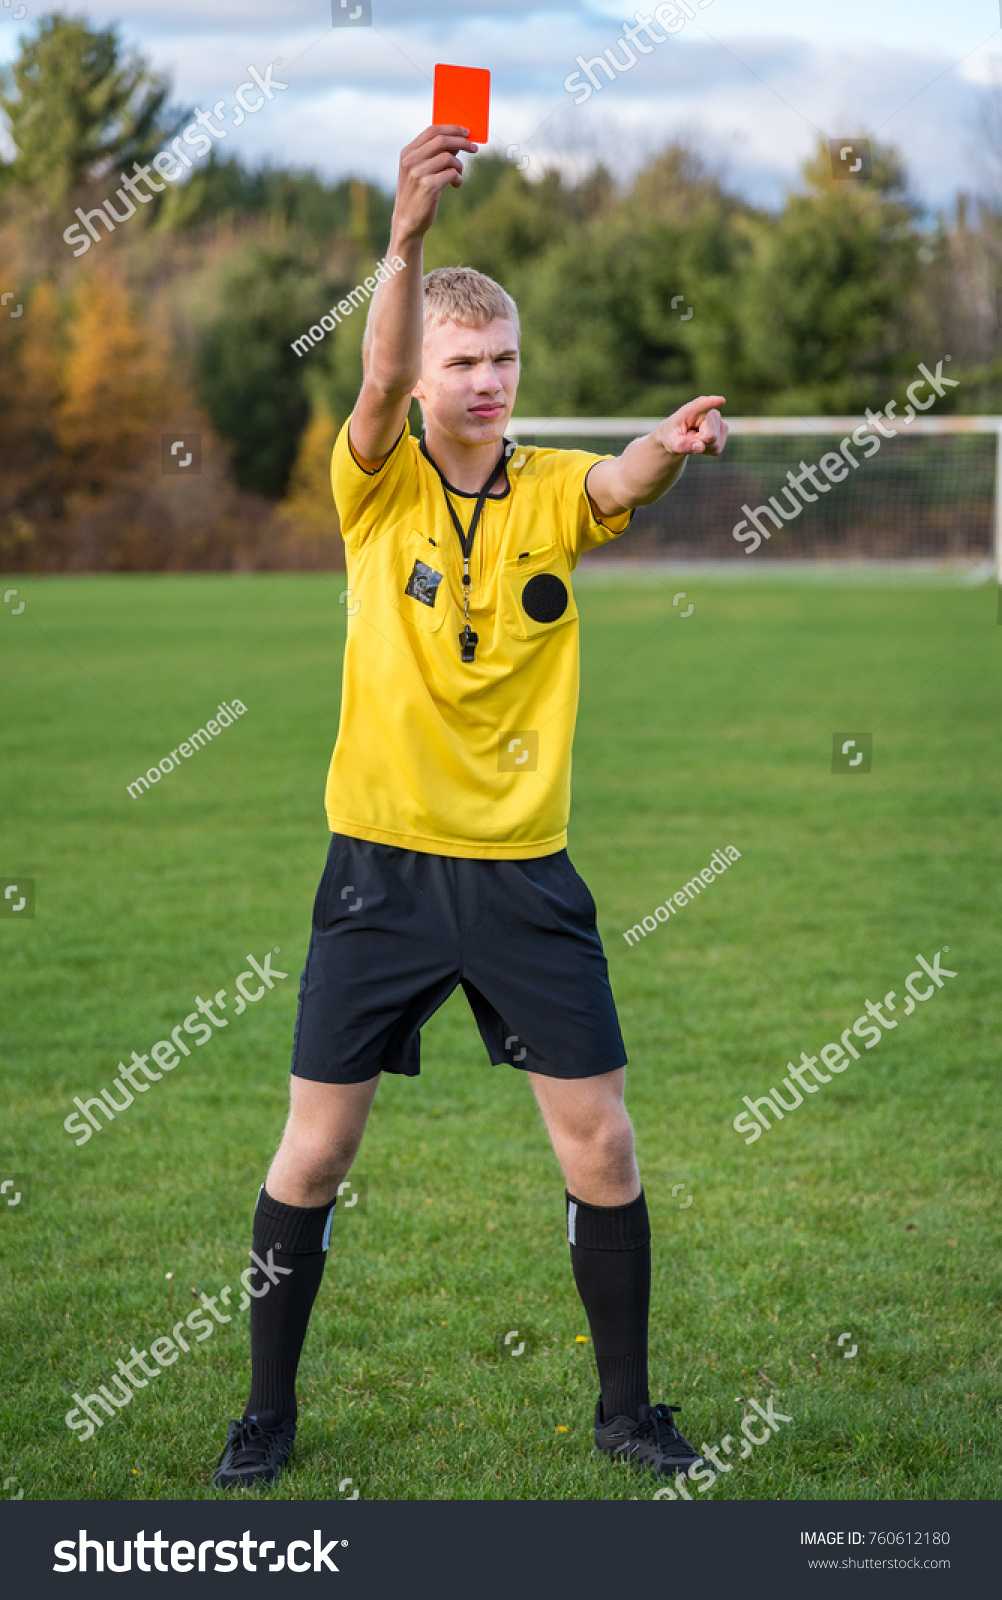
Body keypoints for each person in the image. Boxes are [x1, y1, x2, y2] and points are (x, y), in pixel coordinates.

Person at [213, 123, 728, 1492]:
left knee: (601, 1139)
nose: (487, 383)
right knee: (313, 1151)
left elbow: (620, 481)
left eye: (502, 360)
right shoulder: (373, 488)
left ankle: (625, 1415)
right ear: (428, 372)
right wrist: (402, 244)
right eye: (465, 363)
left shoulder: (551, 486)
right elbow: (374, 374)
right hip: (380, 871)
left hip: (522, 874)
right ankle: (265, 1415)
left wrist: (664, 450)